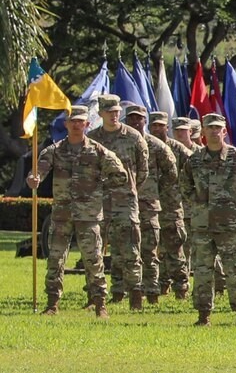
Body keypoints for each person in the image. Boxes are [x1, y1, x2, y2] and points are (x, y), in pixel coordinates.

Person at [36, 104, 124, 316]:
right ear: (66, 124)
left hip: (89, 216)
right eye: (72, 121)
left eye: (80, 121)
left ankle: (99, 304)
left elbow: (120, 174)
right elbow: (39, 171)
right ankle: (52, 304)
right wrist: (34, 179)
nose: (76, 125)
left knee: (94, 260)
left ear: (87, 124)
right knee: (55, 259)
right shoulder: (55, 150)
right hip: (62, 215)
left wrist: (101, 188)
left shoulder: (97, 150)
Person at [184, 112, 236, 326]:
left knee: (234, 271)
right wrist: (200, 203)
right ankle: (203, 315)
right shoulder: (194, 160)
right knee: (202, 272)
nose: (213, 131)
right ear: (202, 132)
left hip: (230, 226)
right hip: (203, 225)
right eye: (209, 127)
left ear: (224, 131)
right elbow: (184, 186)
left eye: (217, 128)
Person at [89, 93, 149, 310]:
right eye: (109, 112)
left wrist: (129, 188)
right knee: (95, 250)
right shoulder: (93, 138)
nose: (114, 116)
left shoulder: (134, 137)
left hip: (126, 201)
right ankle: (96, 296)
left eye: (116, 112)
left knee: (131, 249)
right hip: (99, 201)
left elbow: (143, 171)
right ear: (100, 113)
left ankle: (135, 294)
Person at [120, 104, 164, 304]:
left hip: (148, 204)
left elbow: (172, 173)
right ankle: (123, 290)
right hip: (125, 204)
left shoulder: (156, 145)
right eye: (131, 119)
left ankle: (152, 291)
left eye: (139, 119)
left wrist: (161, 193)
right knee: (126, 249)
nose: (135, 122)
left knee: (150, 250)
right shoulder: (122, 143)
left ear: (145, 121)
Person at [147, 110, 191, 301]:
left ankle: (181, 288)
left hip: (172, 206)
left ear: (167, 128)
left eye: (161, 125)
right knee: (151, 249)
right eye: (154, 125)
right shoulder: (145, 145)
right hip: (149, 206)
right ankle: (157, 286)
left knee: (175, 249)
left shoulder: (177, 148)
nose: (157, 129)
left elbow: (195, 165)